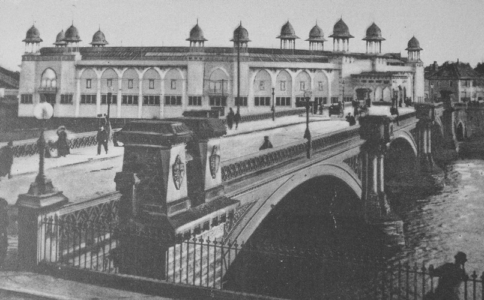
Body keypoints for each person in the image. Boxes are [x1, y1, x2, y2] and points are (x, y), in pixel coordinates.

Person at [0, 198, 8, 269]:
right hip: (2, 232)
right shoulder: (4, 213)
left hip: (2, 232)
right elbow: (6, 223)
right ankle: (1, 263)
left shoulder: (4, 212)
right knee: (3, 247)